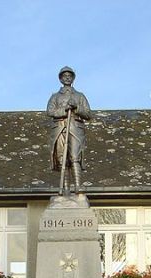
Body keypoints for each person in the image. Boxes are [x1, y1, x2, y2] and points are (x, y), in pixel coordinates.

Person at [47, 66, 91, 194]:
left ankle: (78, 186)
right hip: (60, 128)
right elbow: (50, 111)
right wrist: (64, 110)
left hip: (75, 128)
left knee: (74, 157)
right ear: (60, 79)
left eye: (69, 76)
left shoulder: (79, 96)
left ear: (73, 78)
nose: (67, 78)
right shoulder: (55, 97)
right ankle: (65, 188)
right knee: (62, 159)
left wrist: (76, 107)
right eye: (64, 76)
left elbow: (88, 114)